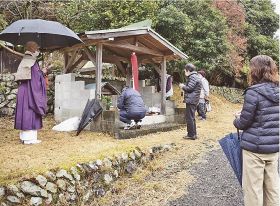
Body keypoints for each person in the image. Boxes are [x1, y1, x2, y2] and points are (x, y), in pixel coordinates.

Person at [233, 55, 279, 206]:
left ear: (256, 70)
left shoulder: (253, 92)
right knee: (272, 188)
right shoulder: (278, 91)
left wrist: (236, 120)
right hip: (273, 148)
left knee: (253, 190)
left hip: (254, 149)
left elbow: (244, 122)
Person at [14, 41, 47, 144]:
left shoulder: (25, 60)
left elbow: (31, 75)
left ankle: (24, 138)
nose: (37, 50)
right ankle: (29, 139)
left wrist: (40, 72)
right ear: (32, 48)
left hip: (24, 90)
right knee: (30, 112)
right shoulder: (31, 60)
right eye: (36, 48)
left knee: (24, 112)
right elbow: (36, 78)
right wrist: (43, 72)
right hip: (30, 92)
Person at [179, 63, 201, 140]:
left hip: (191, 100)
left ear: (188, 70)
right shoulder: (195, 76)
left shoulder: (193, 77)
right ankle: (193, 134)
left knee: (189, 118)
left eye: (185, 70)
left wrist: (182, 86)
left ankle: (191, 135)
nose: (185, 72)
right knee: (192, 117)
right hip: (193, 100)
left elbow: (189, 88)